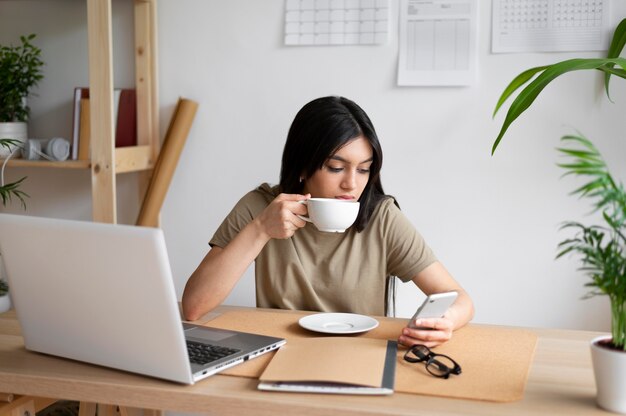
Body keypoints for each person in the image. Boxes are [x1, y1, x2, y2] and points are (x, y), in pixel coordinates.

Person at [182, 96, 474, 348]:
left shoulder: (381, 218)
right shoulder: (261, 208)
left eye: (363, 170)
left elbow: (460, 299)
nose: (351, 184)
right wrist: (259, 230)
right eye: (336, 167)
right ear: (302, 167)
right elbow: (194, 307)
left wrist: (444, 322)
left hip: (358, 358)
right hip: (280, 354)